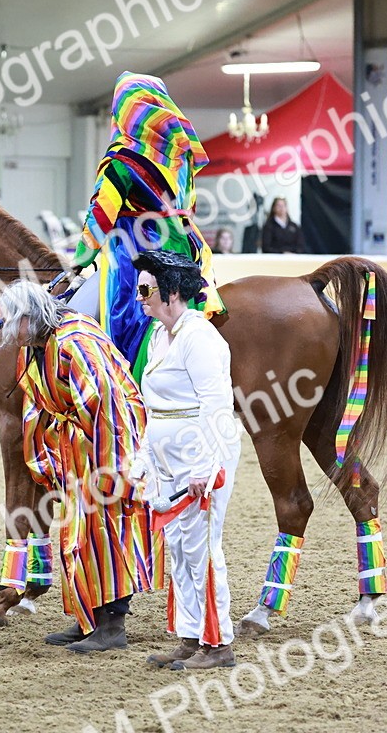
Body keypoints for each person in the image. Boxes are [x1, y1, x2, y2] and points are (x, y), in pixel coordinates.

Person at [0, 280, 152, 654]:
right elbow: (38, 405)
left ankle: (112, 625)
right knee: (79, 532)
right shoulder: (36, 348)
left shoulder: (76, 341)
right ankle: (90, 619)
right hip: (77, 445)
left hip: (108, 441)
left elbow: (106, 405)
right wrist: (51, 455)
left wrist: (107, 467)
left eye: (13, 320)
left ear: (31, 317)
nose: (7, 330)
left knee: (106, 527)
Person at [73, 71, 224, 383]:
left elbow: (102, 213)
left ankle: (122, 381)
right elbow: (190, 207)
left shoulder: (122, 157)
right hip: (183, 246)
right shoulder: (182, 156)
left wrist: (80, 258)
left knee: (99, 320)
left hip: (136, 249)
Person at [133, 251, 241, 671]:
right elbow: (154, 408)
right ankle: (191, 635)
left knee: (202, 547)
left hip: (198, 455)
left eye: (146, 290)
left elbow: (216, 405)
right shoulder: (159, 336)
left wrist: (204, 467)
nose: (140, 298)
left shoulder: (200, 338)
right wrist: (143, 460)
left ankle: (219, 644)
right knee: (179, 547)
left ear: (173, 292)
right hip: (167, 458)